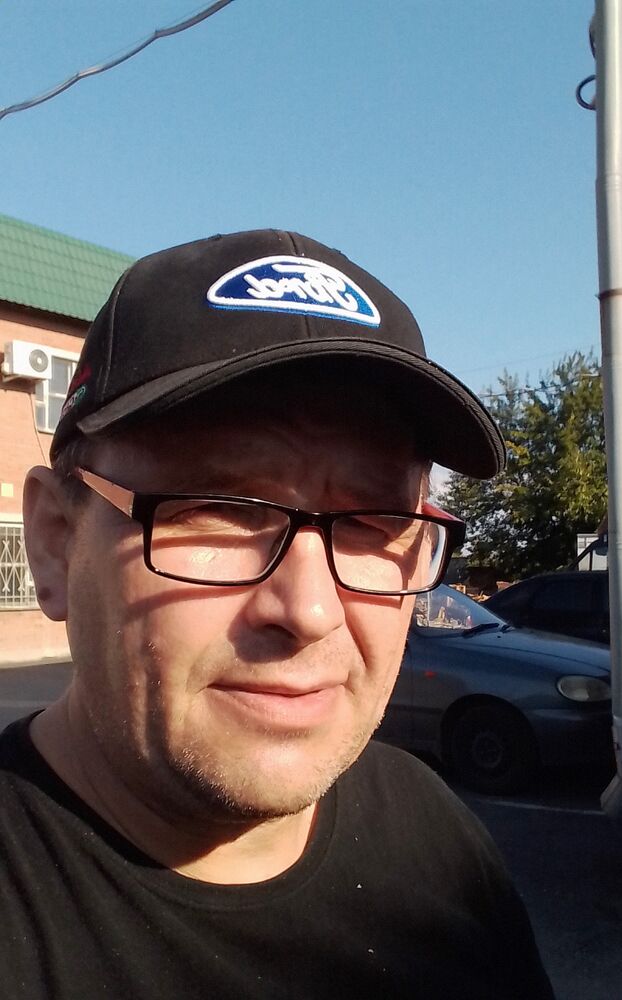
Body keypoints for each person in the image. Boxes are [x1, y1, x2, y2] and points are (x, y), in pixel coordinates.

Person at [2, 229, 554, 999]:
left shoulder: (436, 835)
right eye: (220, 510)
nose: (311, 609)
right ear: (57, 544)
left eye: (372, 524)